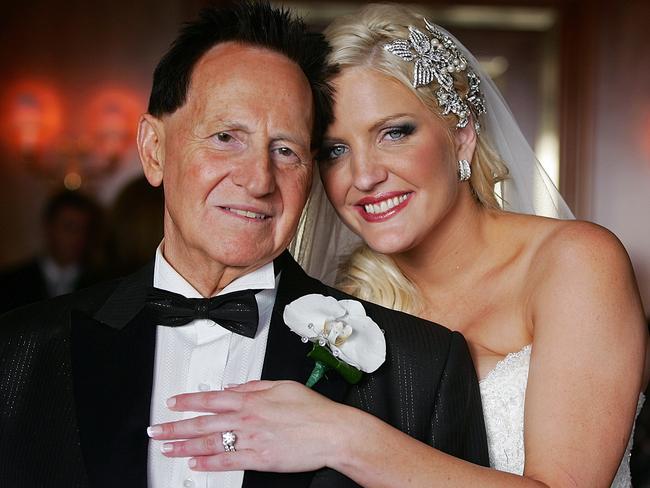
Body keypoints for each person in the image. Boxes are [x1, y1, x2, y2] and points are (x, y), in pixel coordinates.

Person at [150, 4, 649, 487]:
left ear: (462, 136)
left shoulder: (575, 264)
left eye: (393, 133)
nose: (364, 176)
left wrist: (344, 437)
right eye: (335, 151)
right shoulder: (336, 305)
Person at [0, 2, 489, 487]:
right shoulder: (20, 352)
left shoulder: (419, 367)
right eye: (226, 137)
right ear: (154, 151)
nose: (259, 180)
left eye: (286, 150)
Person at [0, 189, 102, 314]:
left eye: (84, 229)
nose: (78, 237)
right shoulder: (11, 284)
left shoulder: (99, 283)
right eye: (69, 227)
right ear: (49, 227)